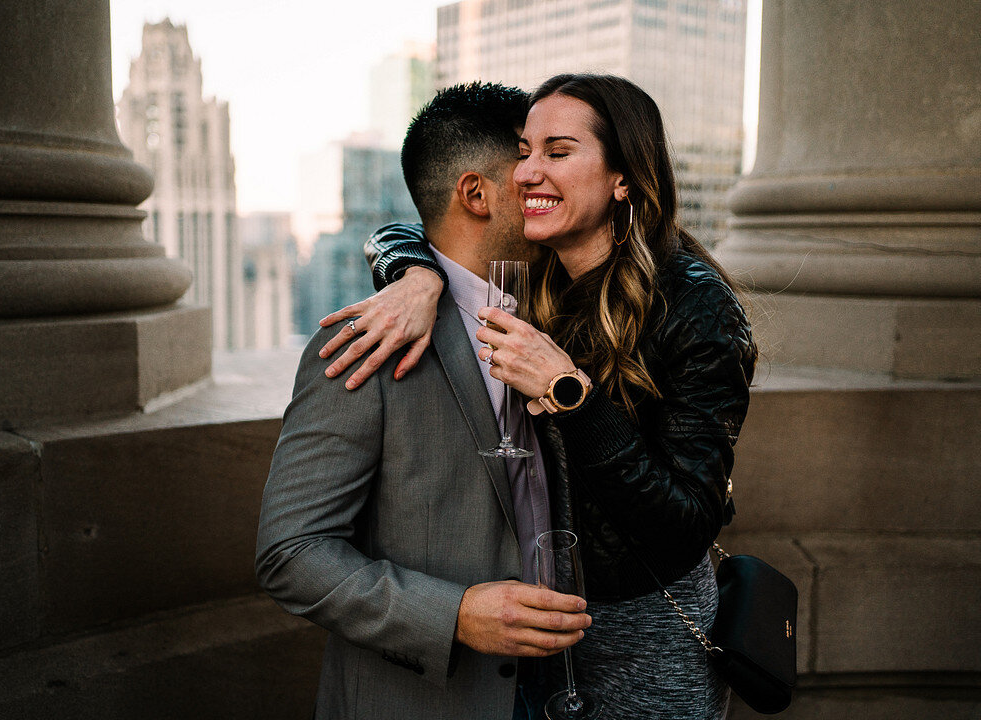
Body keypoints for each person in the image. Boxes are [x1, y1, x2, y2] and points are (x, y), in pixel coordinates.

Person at [320, 73, 757, 720]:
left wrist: (571, 394)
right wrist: (413, 276)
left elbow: (681, 526)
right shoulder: (538, 266)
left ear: (624, 178)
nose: (526, 172)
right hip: (533, 624)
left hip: (644, 637)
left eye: (557, 152)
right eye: (523, 151)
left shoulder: (696, 308)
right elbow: (411, 229)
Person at [254, 82, 593, 720]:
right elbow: (290, 554)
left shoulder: (558, 313)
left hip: (561, 688)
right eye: (525, 173)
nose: (545, 187)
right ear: (476, 194)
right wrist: (455, 615)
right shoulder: (367, 344)